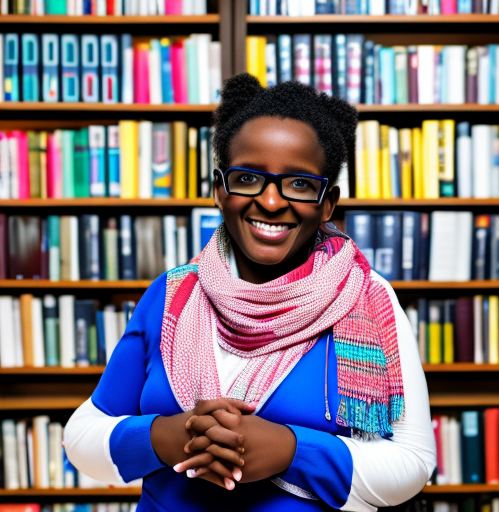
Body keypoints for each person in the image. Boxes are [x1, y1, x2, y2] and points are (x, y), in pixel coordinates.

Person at [64, 73, 436, 512]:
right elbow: (83, 434)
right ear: (220, 190)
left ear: (328, 202)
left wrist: (291, 451)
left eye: (300, 184)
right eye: (248, 178)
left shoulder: (369, 299)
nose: (273, 202)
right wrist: (165, 436)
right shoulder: (172, 294)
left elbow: (412, 462)